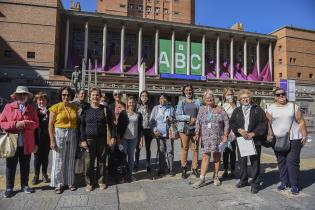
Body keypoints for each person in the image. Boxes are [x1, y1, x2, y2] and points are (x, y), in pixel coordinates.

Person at [266, 87, 308, 195]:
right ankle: (284, 182)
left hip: (294, 138)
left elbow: (301, 121)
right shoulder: (271, 108)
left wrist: (304, 134)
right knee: (281, 162)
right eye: (278, 95)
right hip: (278, 139)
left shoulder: (293, 106)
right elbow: (268, 123)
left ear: (286, 94)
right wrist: (268, 134)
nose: (281, 96)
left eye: (283, 94)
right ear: (275, 97)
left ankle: (294, 184)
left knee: (292, 162)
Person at [0, 86, 39, 198]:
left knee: (25, 165)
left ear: (27, 96)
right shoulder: (8, 107)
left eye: (24, 94)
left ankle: (25, 185)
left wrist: (25, 123)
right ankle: (9, 187)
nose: (22, 96)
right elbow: (2, 122)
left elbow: (36, 124)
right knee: (10, 166)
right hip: (12, 142)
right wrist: (15, 124)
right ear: (16, 96)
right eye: (20, 94)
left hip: (26, 142)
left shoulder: (31, 109)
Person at [230, 89, 268, 194]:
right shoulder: (237, 110)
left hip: (254, 140)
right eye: (242, 98)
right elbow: (232, 123)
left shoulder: (257, 109)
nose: (245, 99)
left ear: (250, 98)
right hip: (241, 139)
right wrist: (239, 129)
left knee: (255, 162)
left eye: (247, 97)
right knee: (242, 161)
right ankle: (243, 180)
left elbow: (263, 124)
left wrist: (254, 133)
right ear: (239, 100)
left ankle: (255, 183)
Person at [192, 90, 229, 188]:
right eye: (207, 97)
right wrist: (196, 134)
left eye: (211, 97)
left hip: (218, 137)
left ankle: (216, 176)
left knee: (217, 157)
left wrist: (225, 135)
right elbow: (198, 123)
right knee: (205, 157)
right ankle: (202, 179)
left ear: (214, 98)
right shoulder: (201, 109)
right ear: (204, 99)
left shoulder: (220, 109)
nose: (209, 99)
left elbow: (227, 122)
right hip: (205, 138)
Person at [48, 86, 78, 194]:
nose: (66, 96)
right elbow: (50, 125)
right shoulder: (54, 107)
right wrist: (52, 140)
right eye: (64, 95)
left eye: (68, 95)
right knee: (58, 159)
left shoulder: (74, 107)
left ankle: (70, 181)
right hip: (59, 133)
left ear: (71, 96)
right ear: (60, 96)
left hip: (72, 133)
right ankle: (58, 183)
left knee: (70, 159)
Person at [80, 88, 111, 192]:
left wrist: (113, 137)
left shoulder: (105, 109)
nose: (95, 97)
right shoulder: (85, 109)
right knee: (89, 162)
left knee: (102, 162)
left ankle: (101, 181)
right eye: (93, 95)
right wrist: (83, 140)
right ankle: (89, 183)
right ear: (90, 96)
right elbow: (81, 125)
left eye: (97, 95)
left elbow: (111, 124)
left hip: (102, 140)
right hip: (89, 140)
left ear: (100, 96)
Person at [176, 84, 201, 179]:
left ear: (192, 91)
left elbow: (201, 113)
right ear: (184, 91)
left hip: (195, 128)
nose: (188, 92)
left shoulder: (197, 101)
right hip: (184, 128)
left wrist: (195, 120)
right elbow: (177, 115)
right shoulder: (181, 102)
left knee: (195, 148)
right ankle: (184, 168)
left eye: (190, 90)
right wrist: (189, 118)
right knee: (185, 148)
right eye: (186, 90)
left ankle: (195, 168)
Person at [117, 96, 143, 182]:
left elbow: (140, 128)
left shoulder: (138, 115)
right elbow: (119, 127)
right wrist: (118, 139)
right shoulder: (123, 113)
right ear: (127, 103)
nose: (131, 104)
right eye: (130, 102)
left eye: (133, 102)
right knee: (123, 157)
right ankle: (123, 175)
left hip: (133, 139)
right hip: (124, 138)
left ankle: (130, 175)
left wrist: (141, 140)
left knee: (131, 158)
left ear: (135, 104)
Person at [150, 93, 176, 177]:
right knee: (161, 151)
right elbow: (152, 121)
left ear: (167, 100)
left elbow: (176, 120)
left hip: (169, 133)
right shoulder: (156, 108)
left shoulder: (171, 108)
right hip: (159, 133)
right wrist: (155, 130)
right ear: (159, 100)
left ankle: (171, 169)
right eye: (161, 98)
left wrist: (172, 119)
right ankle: (161, 169)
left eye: (164, 98)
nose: (162, 100)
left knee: (170, 151)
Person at [32, 91, 50, 185]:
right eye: (39, 100)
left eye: (43, 99)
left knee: (45, 157)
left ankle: (44, 174)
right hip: (37, 138)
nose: (41, 101)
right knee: (37, 158)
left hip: (47, 138)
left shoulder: (50, 111)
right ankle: (36, 175)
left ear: (47, 101)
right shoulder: (34, 111)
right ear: (36, 101)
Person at [135, 90, 153, 173]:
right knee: (137, 147)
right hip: (139, 129)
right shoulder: (137, 106)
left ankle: (148, 164)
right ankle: (136, 163)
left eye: (146, 96)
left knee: (148, 148)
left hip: (148, 129)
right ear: (140, 97)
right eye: (142, 96)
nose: (144, 97)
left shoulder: (151, 106)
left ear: (148, 97)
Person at [221, 88, 237, 178]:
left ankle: (233, 170)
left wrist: (233, 104)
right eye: (228, 94)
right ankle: (226, 169)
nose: (229, 96)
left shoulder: (236, 105)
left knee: (233, 151)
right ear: (225, 96)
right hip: (225, 130)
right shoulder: (223, 105)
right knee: (225, 151)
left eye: (231, 94)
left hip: (234, 131)